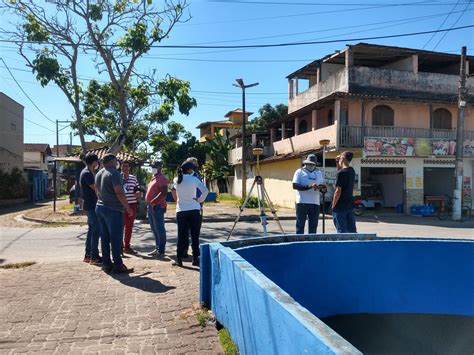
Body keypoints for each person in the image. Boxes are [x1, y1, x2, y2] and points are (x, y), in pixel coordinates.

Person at [95, 153, 134, 274]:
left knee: (105, 237)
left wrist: (102, 199)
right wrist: (128, 207)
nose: (117, 163)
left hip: (100, 207)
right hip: (113, 209)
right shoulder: (114, 173)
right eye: (116, 160)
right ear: (112, 161)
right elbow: (119, 192)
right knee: (116, 238)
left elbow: (96, 189)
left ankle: (106, 264)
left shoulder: (99, 173)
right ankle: (118, 264)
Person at [171, 161, 209, 267]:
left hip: (181, 210)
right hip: (194, 209)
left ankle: (179, 259)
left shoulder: (176, 180)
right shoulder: (194, 179)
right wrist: (199, 200)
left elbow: (174, 191)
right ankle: (195, 258)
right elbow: (205, 191)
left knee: (181, 236)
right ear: (189, 169)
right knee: (195, 236)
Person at [292, 153, 325, 234]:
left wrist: (322, 189)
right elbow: (295, 185)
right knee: (300, 226)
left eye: (313, 164)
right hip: (302, 202)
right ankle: (299, 243)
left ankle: (311, 243)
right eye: (309, 164)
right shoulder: (299, 172)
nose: (311, 165)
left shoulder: (319, 173)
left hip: (315, 203)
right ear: (305, 163)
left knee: (313, 226)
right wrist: (309, 187)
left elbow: (322, 186)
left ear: (315, 165)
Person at [79, 153, 101, 264]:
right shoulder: (87, 174)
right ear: (94, 162)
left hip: (88, 205)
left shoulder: (85, 172)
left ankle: (88, 255)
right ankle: (94, 256)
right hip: (92, 206)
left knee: (91, 231)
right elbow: (96, 189)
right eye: (97, 162)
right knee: (95, 231)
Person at [145, 161, 168, 258]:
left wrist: (153, 202)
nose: (152, 168)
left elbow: (164, 192)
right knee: (154, 229)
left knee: (159, 229)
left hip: (157, 206)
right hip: (151, 206)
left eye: (154, 166)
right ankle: (157, 247)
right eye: (151, 166)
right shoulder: (153, 178)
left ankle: (161, 250)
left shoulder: (162, 178)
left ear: (159, 167)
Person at [182, 157, 203, 258]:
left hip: (196, 207)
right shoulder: (181, 177)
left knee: (195, 232)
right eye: (194, 164)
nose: (196, 166)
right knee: (184, 231)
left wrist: (200, 201)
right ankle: (184, 250)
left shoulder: (197, 176)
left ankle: (196, 254)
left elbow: (203, 191)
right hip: (184, 207)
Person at [331, 151, 357, 233]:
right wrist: (337, 161)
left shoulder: (341, 173)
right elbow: (340, 170)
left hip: (340, 206)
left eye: (341, 157)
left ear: (343, 158)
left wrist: (333, 205)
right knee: (352, 230)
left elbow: (338, 191)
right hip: (350, 204)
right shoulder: (352, 171)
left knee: (341, 231)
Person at [121, 161, 141, 254]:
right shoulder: (117, 178)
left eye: (127, 166)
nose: (125, 168)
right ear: (121, 167)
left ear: (129, 168)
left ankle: (127, 246)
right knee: (120, 227)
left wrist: (138, 193)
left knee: (129, 227)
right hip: (121, 206)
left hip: (132, 204)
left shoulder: (133, 178)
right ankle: (119, 247)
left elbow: (137, 189)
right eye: (124, 166)